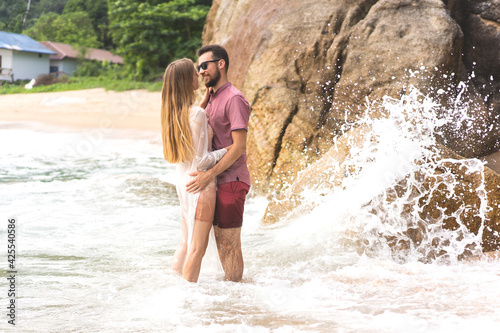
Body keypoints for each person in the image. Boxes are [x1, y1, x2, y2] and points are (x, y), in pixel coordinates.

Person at [161, 58, 230, 283]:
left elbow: (191, 136)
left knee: (185, 242)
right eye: (193, 73)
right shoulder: (197, 115)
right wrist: (227, 150)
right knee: (197, 248)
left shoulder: (173, 113)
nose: (199, 75)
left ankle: (173, 287)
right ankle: (188, 300)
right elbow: (201, 161)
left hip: (182, 179)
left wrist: (203, 101)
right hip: (199, 182)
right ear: (184, 81)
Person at [186, 45, 251, 282]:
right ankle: (230, 298)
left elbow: (239, 146)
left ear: (220, 64)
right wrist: (205, 98)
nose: (201, 71)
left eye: (205, 65)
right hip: (216, 181)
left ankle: (236, 301)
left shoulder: (234, 98)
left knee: (229, 244)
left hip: (231, 180)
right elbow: (196, 125)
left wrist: (207, 175)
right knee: (219, 243)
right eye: (198, 67)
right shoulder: (213, 97)